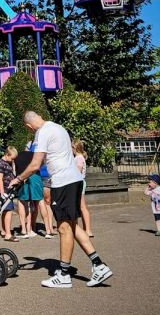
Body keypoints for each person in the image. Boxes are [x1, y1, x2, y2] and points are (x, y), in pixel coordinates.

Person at [9, 111, 113, 289]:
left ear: (28, 126)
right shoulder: (59, 128)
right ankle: (99, 265)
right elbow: (47, 160)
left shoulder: (41, 133)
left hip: (63, 182)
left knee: (63, 228)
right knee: (72, 225)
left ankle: (64, 275)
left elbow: (35, 164)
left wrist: (18, 179)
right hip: (75, 180)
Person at [14, 148, 42, 238]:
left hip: (21, 180)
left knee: (21, 203)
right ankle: (29, 229)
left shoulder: (17, 155)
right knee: (30, 205)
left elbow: (14, 170)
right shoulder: (33, 155)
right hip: (31, 178)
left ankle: (23, 229)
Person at [0, 146, 19, 241]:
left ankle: (4, 230)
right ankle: (8, 234)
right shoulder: (1, 164)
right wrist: (2, 193)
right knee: (9, 211)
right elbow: (0, 179)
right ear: (7, 155)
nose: (13, 160)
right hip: (4, 190)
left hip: (7, 189)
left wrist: (13, 165)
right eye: (12, 158)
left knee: (5, 210)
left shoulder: (7, 163)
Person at [72, 139, 93, 238]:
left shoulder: (79, 158)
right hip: (78, 182)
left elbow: (78, 170)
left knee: (82, 207)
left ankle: (88, 230)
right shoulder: (78, 157)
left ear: (74, 147)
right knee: (79, 206)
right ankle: (83, 229)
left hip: (78, 183)